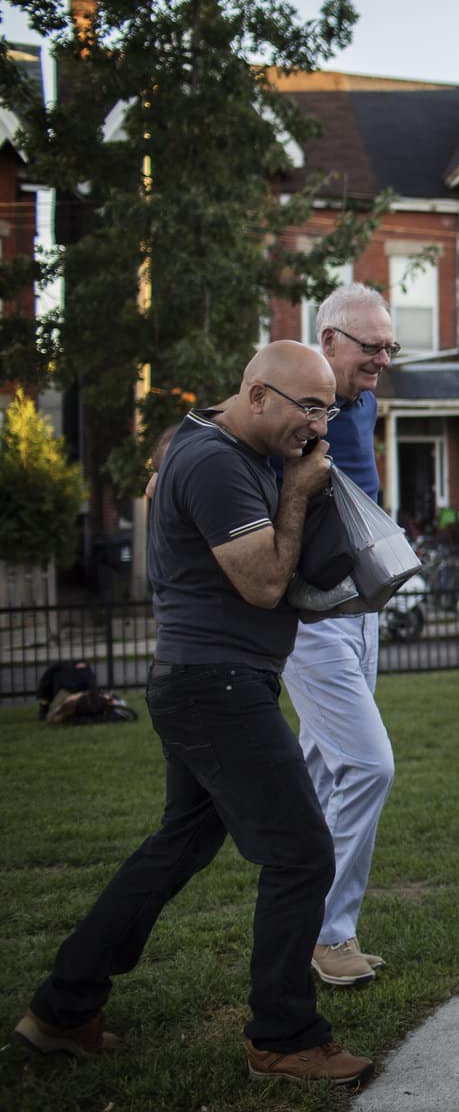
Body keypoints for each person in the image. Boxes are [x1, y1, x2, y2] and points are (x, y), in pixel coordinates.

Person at [13, 341, 375, 1086]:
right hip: (219, 689)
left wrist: (295, 473)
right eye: (307, 408)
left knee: (177, 846)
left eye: (327, 409)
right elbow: (266, 584)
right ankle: (283, 1034)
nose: (317, 425)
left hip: (208, 683)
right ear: (255, 395)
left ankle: (63, 1007)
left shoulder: (219, 450)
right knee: (303, 851)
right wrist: (301, 491)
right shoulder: (213, 462)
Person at [283, 281, 399, 988]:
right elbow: (224, 439)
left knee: (323, 772)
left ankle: (298, 924)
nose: (382, 358)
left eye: (390, 346)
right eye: (371, 346)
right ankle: (328, 935)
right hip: (313, 620)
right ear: (328, 342)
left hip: (364, 613)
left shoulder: (363, 403)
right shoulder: (292, 402)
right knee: (367, 766)